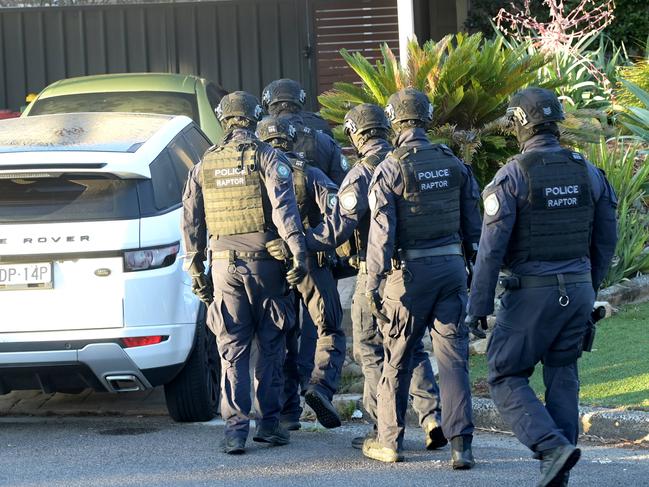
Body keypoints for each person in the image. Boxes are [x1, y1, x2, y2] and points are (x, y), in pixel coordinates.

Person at [466, 87, 618, 486]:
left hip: (531, 292)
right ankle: (558, 471)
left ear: (519, 123)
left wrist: (478, 304)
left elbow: (491, 247)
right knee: (562, 370)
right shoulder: (587, 169)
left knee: (503, 373)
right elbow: (606, 237)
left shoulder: (514, 174)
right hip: (579, 289)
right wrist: (589, 285)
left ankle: (550, 449)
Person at [303, 103, 446, 451]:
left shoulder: (363, 172)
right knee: (409, 348)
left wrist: (300, 240)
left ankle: (380, 428)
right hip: (410, 272)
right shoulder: (406, 163)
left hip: (373, 273)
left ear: (355, 134)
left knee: (370, 351)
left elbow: (338, 227)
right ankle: (431, 419)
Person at [181, 91, 308, 455]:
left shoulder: (204, 164)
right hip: (265, 264)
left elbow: (190, 220)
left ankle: (235, 430)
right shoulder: (269, 157)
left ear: (223, 120)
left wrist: (196, 270)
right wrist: (298, 255)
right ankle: (269, 425)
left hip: (223, 266)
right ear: (254, 119)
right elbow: (286, 211)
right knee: (270, 345)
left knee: (232, 349)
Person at [363, 88, 482, 465]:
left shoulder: (390, 167)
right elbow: (474, 227)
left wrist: (373, 283)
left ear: (395, 122)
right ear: (426, 120)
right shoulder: (453, 163)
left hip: (410, 276)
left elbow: (382, 232)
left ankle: (389, 442)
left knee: (397, 357)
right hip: (451, 271)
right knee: (452, 359)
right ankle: (461, 446)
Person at [257, 115, 346, 430]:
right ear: (292, 140)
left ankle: (287, 412)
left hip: (267, 266)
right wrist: (309, 242)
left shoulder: (253, 176)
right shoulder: (309, 172)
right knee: (329, 330)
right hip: (311, 263)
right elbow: (340, 213)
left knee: (279, 337)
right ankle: (320, 385)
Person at [262, 78, 348, 186]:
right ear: (301, 101)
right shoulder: (325, 141)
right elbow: (342, 184)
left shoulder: (258, 141)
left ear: (268, 105)